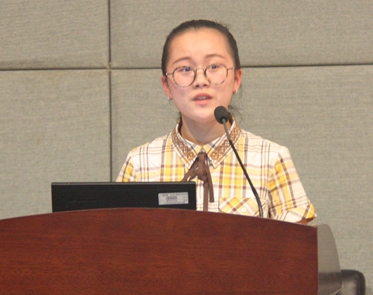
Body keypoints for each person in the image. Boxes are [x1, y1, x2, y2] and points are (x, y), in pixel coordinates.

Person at [117, 19, 316, 224]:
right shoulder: (140, 163)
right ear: (166, 85)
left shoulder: (271, 158)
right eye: (184, 69)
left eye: (213, 66)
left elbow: (297, 242)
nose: (200, 80)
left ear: (236, 79)